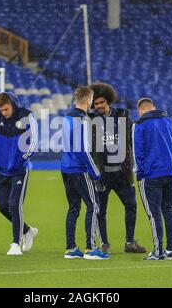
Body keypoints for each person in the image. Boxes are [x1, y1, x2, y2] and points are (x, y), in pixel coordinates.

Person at [89, 82, 146, 254]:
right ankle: (104, 243)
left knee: (131, 206)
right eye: (96, 104)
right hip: (102, 174)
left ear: (109, 101)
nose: (99, 106)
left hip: (122, 172)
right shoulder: (90, 121)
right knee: (100, 211)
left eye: (101, 103)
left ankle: (130, 242)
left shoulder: (122, 117)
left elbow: (132, 141)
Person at [61, 86, 109, 260]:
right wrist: (95, 173)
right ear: (89, 100)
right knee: (94, 205)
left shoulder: (66, 117)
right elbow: (83, 150)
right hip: (79, 169)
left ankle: (71, 248)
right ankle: (91, 248)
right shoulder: (82, 120)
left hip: (65, 167)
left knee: (73, 207)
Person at [0, 92, 38, 255]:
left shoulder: (26, 115)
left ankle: (16, 244)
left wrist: (22, 160)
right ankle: (27, 231)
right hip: (1, 169)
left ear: (12, 104)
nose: (4, 113)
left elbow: (34, 142)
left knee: (14, 205)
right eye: (1, 110)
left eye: (6, 109)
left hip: (19, 170)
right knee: (2, 207)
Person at [133, 98, 172, 260]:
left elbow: (138, 153)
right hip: (170, 172)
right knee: (169, 210)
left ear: (140, 110)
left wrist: (140, 174)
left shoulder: (139, 125)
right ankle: (169, 249)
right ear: (154, 107)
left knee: (155, 214)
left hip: (152, 174)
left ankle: (158, 250)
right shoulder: (170, 121)